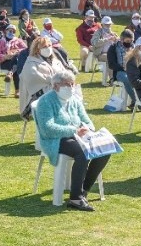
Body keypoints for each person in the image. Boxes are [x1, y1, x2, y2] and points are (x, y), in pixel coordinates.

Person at [34, 69, 110, 211]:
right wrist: (74, 130)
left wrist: (88, 129)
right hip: (55, 140)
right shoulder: (46, 101)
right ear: (56, 86)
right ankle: (75, 198)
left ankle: (83, 190)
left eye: (72, 84)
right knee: (83, 152)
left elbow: (87, 120)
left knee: (105, 149)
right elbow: (48, 129)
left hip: (78, 137)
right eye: (66, 84)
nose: (70, 87)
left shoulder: (74, 100)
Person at [16, 36, 61, 116]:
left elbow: (63, 73)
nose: (48, 48)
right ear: (37, 49)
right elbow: (33, 76)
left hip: (56, 88)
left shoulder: (55, 61)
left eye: (49, 46)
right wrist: (54, 80)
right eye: (44, 47)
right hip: (39, 94)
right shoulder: (30, 62)